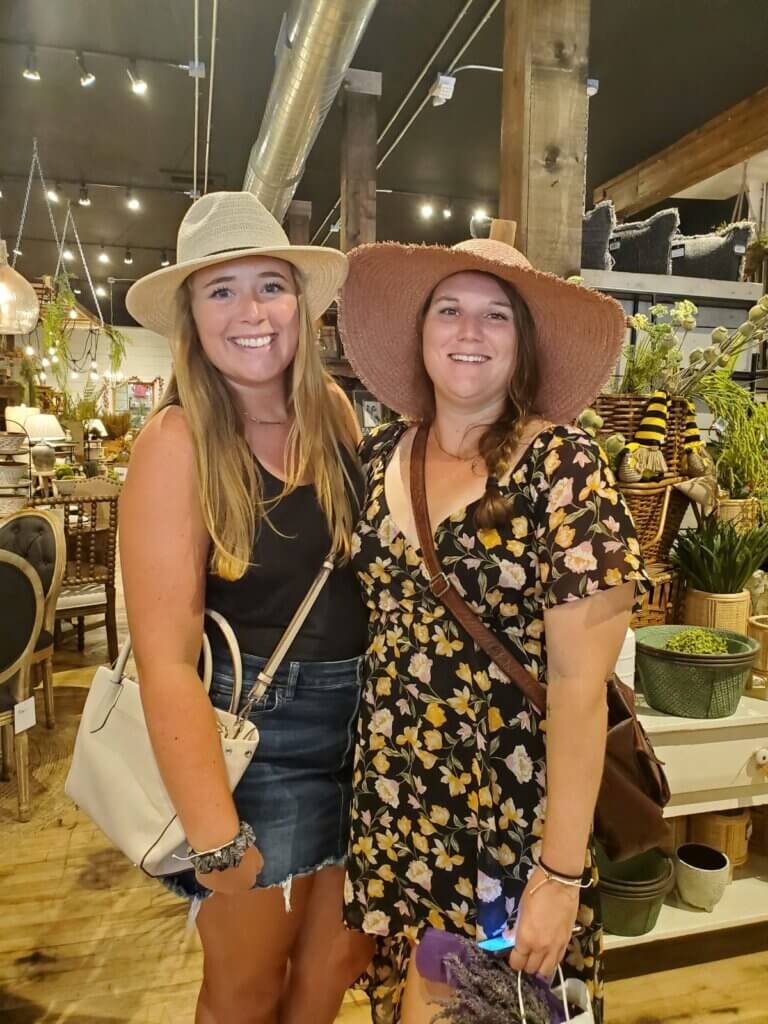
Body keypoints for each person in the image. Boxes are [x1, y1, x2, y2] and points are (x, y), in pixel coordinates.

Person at [337, 230, 650, 1024]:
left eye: (496, 316)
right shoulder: (378, 456)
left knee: (491, 1011)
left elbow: (579, 688)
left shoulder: (562, 465)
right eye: (449, 309)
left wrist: (561, 871)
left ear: (524, 342)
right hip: (399, 801)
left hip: (509, 817)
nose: (469, 333)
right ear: (421, 330)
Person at [121, 191, 373, 1024]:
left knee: (329, 972)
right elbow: (163, 658)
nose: (251, 311)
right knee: (245, 991)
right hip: (260, 740)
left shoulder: (332, 414)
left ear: (299, 303)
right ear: (191, 317)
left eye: (270, 284)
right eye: (220, 290)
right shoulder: (177, 442)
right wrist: (213, 830)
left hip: (366, 731)